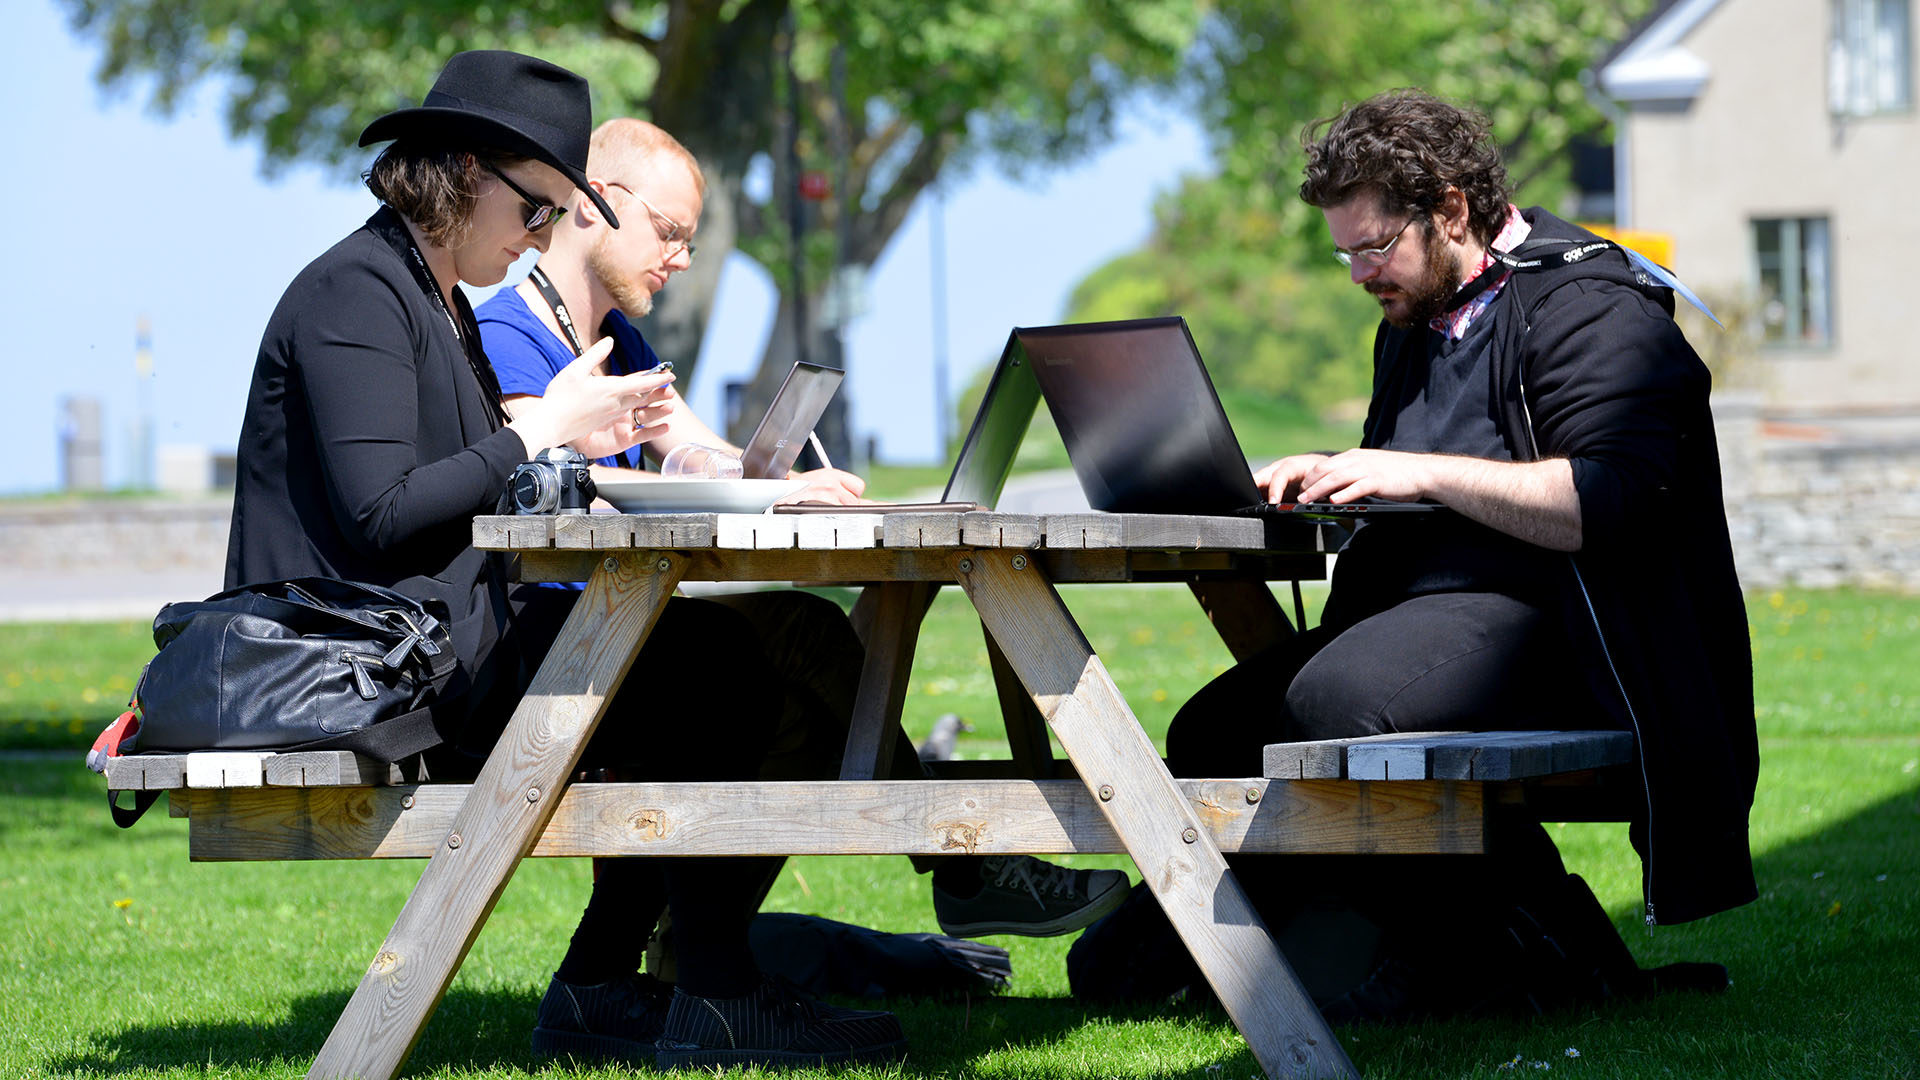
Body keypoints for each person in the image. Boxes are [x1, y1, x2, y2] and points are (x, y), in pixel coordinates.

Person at [222, 50, 906, 1069]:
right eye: (535, 207)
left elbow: (461, 493)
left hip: (429, 641)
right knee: (708, 669)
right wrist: (540, 432)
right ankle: (709, 995)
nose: (541, 235)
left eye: (554, 214)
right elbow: (381, 516)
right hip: (367, 667)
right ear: (460, 173)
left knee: (706, 660)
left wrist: (568, 454)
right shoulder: (354, 295)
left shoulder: (429, 292)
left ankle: (615, 988)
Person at [1103, 89, 1755, 1012]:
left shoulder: (1589, 305)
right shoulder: (1413, 320)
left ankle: (1525, 963)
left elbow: (1606, 504)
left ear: (1450, 208)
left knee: (1339, 706)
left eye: (1376, 246)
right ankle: (1324, 954)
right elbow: (1411, 472)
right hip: (1439, 622)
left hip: (1581, 635)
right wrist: (1328, 477)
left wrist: (1416, 472)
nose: (1362, 272)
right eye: (1346, 252)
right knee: (1212, 730)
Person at [474, 117, 1130, 954]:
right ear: (598, 203)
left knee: (811, 680)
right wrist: (752, 492)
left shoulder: (613, 338)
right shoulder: (507, 335)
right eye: (670, 233)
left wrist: (763, 481)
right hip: (557, 636)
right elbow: (559, 481)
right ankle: (962, 873)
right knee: (792, 643)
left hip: (615, 618)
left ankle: (705, 943)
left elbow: (686, 443)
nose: (680, 257)